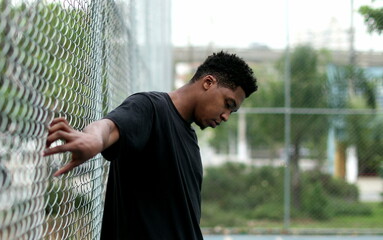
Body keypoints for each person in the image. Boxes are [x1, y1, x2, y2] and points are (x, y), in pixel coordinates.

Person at [44, 51, 258, 240]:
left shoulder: (190, 138)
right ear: (208, 83)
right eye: (227, 104)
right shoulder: (150, 107)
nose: (226, 116)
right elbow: (109, 127)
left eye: (232, 111)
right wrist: (93, 139)